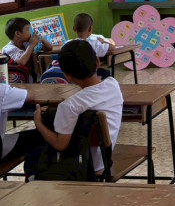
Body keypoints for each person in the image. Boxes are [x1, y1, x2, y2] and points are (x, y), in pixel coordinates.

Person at [32, 40, 123, 175]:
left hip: (81, 165)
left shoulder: (69, 105)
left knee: (33, 153)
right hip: (104, 160)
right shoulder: (113, 84)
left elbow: (60, 144)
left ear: (67, 76)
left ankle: (35, 179)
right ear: (97, 62)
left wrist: (38, 123)